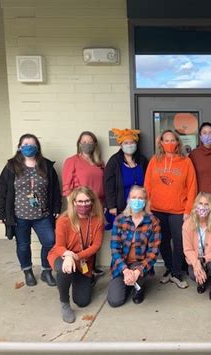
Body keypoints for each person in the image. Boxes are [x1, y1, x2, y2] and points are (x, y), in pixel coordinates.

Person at [0, 133, 61, 287]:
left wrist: (57, 208)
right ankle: (28, 272)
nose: (28, 147)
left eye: (32, 144)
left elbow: (55, 190)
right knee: (23, 245)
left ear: (37, 147)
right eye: (25, 144)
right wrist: (1, 213)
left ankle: (46, 271)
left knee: (50, 242)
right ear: (19, 147)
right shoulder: (11, 166)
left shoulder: (46, 165)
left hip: (43, 215)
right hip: (19, 216)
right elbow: (1, 190)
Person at [144, 130, 197, 289]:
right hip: (157, 209)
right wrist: (147, 206)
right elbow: (147, 185)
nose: (169, 143)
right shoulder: (154, 161)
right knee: (162, 241)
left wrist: (188, 210)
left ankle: (176, 273)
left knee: (179, 242)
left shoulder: (186, 162)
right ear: (161, 143)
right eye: (166, 140)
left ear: (178, 142)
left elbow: (192, 187)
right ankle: (169, 268)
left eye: (172, 140)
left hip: (178, 210)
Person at [47, 187, 104, 323]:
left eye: (87, 201)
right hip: (61, 256)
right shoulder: (64, 220)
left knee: (82, 302)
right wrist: (68, 256)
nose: (83, 204)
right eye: (80, 201)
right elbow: (59, 246)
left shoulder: (97, 220)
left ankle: (85, 279)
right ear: (73, 202)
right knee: (64, 269)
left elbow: (96, 245)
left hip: (83, 261)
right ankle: (64, 304)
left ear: (92, 202)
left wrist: (76, 257)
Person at [107, 186, 161, 307]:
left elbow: (153, 253)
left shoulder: (153, 222)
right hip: (121, 264)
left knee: (137, 275)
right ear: (128, 200)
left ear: (145, 201)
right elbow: (115, 249)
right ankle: (129, 282)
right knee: (115, 301)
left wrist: (137, 272)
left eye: (141, 198)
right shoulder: (120, 219)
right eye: (134, 197)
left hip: (140, 264)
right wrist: (125, 271)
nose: (137, 201)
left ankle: (138, 285)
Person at [62, 131, 105, 276]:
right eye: (84, 142)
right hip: (81, 205)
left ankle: (91, 267)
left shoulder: (99, 162)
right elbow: (67, 187)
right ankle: (80, 267)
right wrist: (74, 207)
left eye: (90, 141)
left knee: (94, 236)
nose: (87, 144)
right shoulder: (72, 161)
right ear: (79, 144)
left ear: (95, 144)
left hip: (97, 205)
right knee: (81, 236)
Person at [183, 192, 211, 301]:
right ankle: (201, 280)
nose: (202, 207)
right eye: (200, 203)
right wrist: (196, 263)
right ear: (195, 205)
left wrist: (203, 260)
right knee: (192, 274)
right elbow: (187, 249)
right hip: (196, 259)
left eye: (206, 204)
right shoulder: (187, 223)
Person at [104, 128, 148, 222]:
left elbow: (148, 182)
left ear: (136, 144)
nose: (129, 145)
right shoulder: (114, 161)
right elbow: (109, 185)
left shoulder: (142, 160)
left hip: (140, 206)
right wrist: (111, 206)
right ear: (121, 145)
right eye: (126, 143)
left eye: (132, 142)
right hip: (121, 207)